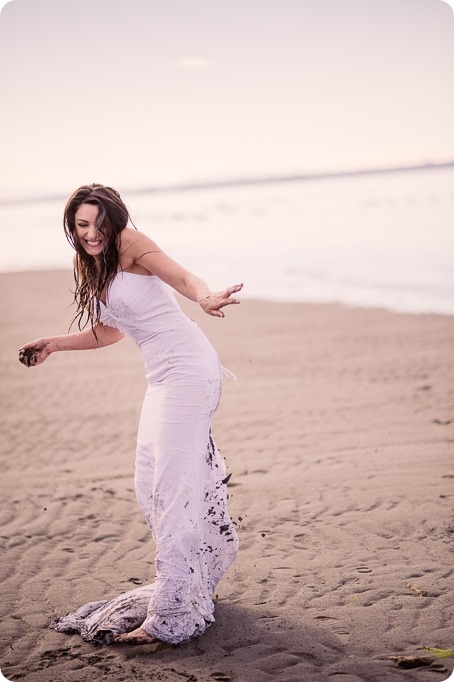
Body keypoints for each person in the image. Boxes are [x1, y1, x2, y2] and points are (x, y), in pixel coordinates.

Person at [18, 183, 242, 646]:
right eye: (82, 225)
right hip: (161, 378)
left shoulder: (132, 245)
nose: (92, 233)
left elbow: (182, 279)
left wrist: (204, 297)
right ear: (71, 226)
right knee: (149, 481)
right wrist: (54, 344)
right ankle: (194, 577)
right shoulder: (90, 265)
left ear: (114, 221)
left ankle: (169, 616)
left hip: (188, 366)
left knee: (172, 483)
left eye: (99, 224)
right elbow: (110, 330)